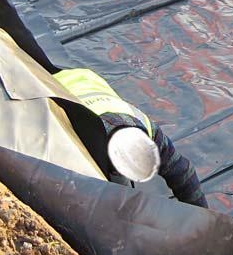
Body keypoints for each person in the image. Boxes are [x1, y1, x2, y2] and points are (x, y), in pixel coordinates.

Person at [53, 68, 208, 208]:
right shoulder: (75, 142)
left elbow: (183, 172)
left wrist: (203, 218)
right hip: (49, 86)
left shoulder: (149, 131)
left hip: (85, 79)